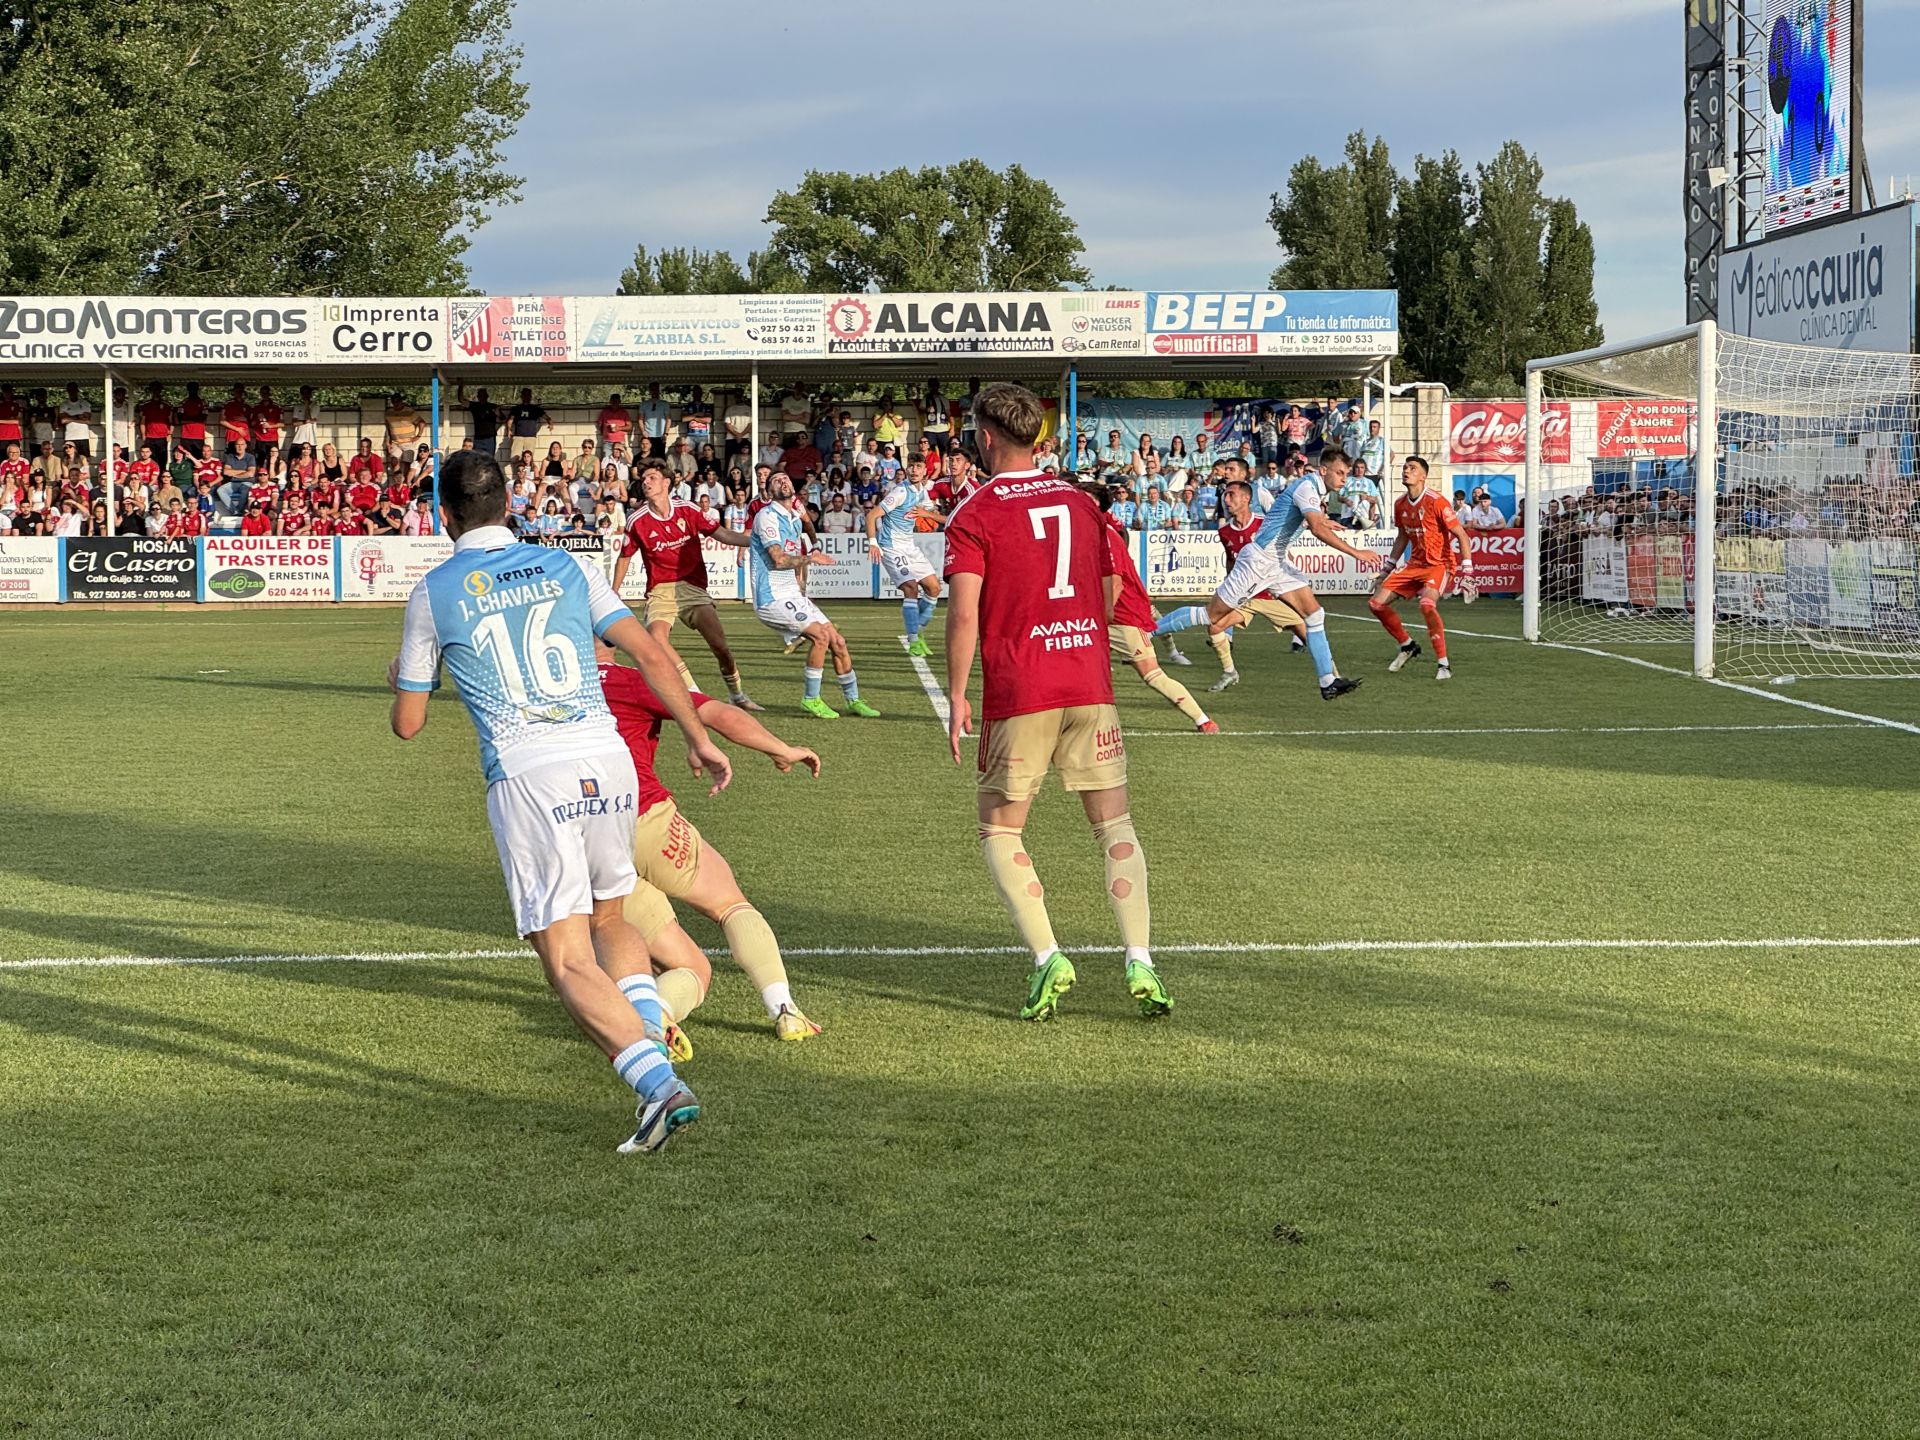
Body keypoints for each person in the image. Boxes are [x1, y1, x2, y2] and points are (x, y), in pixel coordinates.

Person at [388, 448, 732, 1154]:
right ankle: (654, 1037)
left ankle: (657, 1086)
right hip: (607, 762)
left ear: (444, 514)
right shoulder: (567, 565)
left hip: (529, 774)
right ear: (508, 506)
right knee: (610, 918)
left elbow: (408, 722)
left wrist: (403, 673)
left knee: (567, 957)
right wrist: (696, 735)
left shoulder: (435, 589)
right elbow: (651, 654)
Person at [943, 382, 1169, 1023]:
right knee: (1115, 826)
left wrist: (957, 695)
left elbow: (963, 614)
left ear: (986, 438)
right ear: (1036, 437)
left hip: (1022, 689)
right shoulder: (1080, 500)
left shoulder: (975, 513)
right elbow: (1108, 585)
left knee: (1000, 826)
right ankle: (1141, 959)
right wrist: (1084, 645)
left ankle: (1048, 957)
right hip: (1087, 682)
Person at [595, 640, 824, 1044]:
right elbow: (719, 714)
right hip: (640, 818)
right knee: (730, 905)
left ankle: (656, 1016)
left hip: (578, 843)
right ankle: (785, 1010)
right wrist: (782, 749)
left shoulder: (543, 694)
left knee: (692, 969)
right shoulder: (629, 680)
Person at [1154, 454, 1382, 700]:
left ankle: (1328, 682)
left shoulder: (1313, 489)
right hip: (1259, 561)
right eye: (1340, 473)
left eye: (1346, 474)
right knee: (1210, 616)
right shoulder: (1307, 486)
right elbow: (1314, 527)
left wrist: (1323, 522)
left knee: (1315, 615)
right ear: (1323, 470)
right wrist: (1355, 552)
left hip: (1275, 563)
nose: (1344, 479)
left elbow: (1298, 519)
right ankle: (1147, 633)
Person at [611, 464, 763, 713]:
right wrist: (614, 590)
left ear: (666, 483)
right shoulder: (637, 520)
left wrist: (754, 542)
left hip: (692, 587)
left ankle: (737, 695)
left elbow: (721, 533)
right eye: (644, 478)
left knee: (721, 647)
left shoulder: (688, 510)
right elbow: (625, 556)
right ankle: (693, 693)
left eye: (652, 477)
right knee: (656, 638)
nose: (646, 482)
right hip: (660, 589)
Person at [748, 472, 879, 720]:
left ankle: (854, 700)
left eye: (786, 478)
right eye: (776, 481)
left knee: (837, 641)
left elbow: (801, 539)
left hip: (791, 595)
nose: (783, 481)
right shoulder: (766, 516)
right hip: (771, 598)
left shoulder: (794, 519)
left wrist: (802, 578)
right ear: (769, 491)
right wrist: (811, 557)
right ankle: (811, 699)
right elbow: (778, 559)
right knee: (820, 636)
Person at [1096, 488, 1217, 734]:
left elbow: (1116, 581)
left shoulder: (1106, 533)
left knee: (1152, 674)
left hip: (1121, 617)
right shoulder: (1090, 527)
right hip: (1104, 613)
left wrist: (1100, 615)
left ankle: (1203, 719)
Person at [1370, 456, 1472, 682]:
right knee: (1375, 604)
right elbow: (1402, 537)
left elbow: (1462, 536)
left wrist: (1468, 572)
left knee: (1426, 604)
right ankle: (1407, 646)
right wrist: (1387, 568)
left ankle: (1443, 664)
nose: (1406, 471)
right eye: (1405, 467)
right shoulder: (1400, 504)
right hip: (1414, 565)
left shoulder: (1437, 501)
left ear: (1423, 476)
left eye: (1412, 468)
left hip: (1439, 564)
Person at [1204, 478, 1309, 691]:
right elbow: (1231, 560)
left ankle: (1332, 675)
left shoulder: (1265, 523)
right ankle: (1229, 672)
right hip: (1245, 597)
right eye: (1225, 495)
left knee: (1306, 632)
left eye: (1230, 495)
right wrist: (1229, 583)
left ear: (1246, 498)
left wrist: (1310, 524)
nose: (1226, 499)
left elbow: (1287, 538)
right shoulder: (1224, 532)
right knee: (1214, 625)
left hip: (1271, 592)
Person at [866, 469, 943, 658]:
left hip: (909, 546)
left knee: (934, 588)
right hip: (891, 546)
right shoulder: (900, 492)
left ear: (924, 471)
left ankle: (917, 629)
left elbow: (930, 511)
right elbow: (871, 516)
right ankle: (914, 640)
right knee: (911, 587)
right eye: (912, 466)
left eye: (919, 467)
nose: (915, 470)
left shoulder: (922, 492)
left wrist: (931, 514)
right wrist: (873, 544)